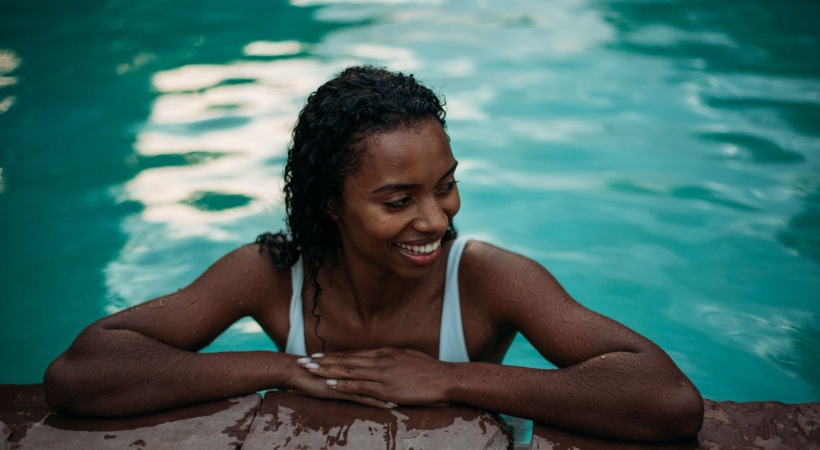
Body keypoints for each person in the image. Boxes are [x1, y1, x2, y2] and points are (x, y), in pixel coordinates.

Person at [44, 65, 703, 442]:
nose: (436, 218)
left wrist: (451, 378)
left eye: (446, 186)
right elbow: (81, 375)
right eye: (397, 200)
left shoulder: (487, 278)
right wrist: (283, 367)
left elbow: (667, 400)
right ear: (331, 204)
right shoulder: (272, 274)